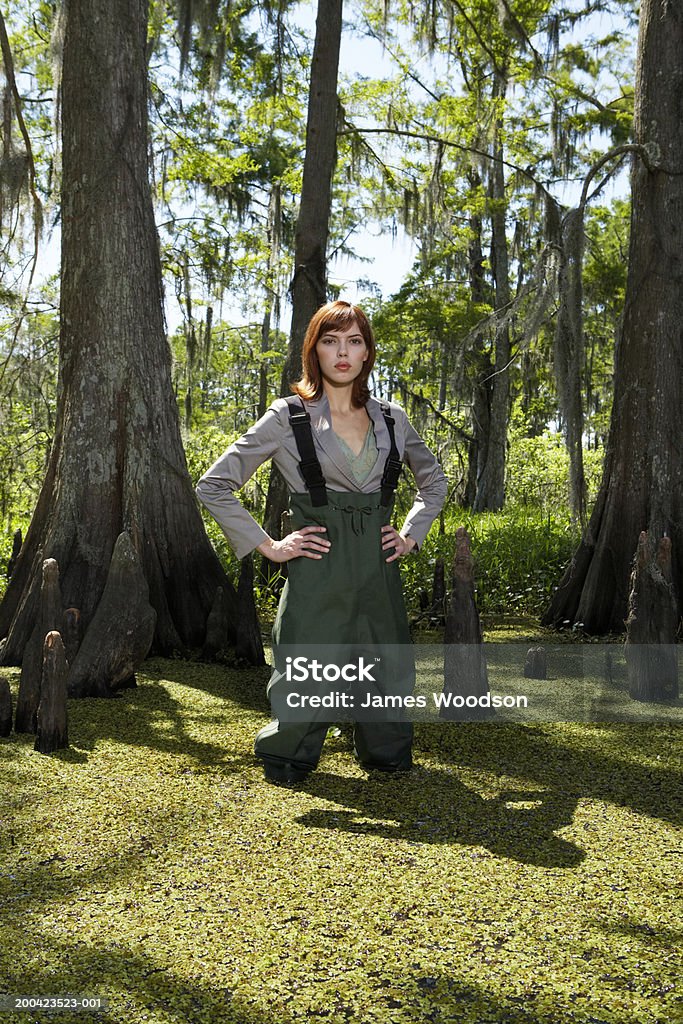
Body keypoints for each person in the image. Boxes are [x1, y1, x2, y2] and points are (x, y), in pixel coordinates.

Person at [196, 300, 447, 784]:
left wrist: (412, 534)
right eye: (331, 341)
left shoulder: (393, 420)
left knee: (388, 669)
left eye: (354, 341)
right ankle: (288, 757)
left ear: (368, 352)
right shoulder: (287, 417)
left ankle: (387, 756)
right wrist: (269, 545)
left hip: (378, 570)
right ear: (314, 350)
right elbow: (213, 485)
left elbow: (433, 483)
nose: (343, 353)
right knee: (307, 668)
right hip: (318, 569)